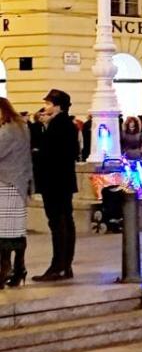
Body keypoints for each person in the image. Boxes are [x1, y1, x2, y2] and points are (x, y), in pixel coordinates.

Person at [31, 88, 81, 282]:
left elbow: (49, 153)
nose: (45, 107)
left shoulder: (58, 126)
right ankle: (65, 265)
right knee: (66, 220)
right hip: (63, 181)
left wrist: (37, 151)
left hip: (54, 181)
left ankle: (58, 266)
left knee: (58, 222)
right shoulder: (66, 124)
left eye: (49, 103)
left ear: (58, 106)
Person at [0, 98, 32, 287]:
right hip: (19, 183)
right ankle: (19, 268)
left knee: (4, 231)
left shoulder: (7, 131)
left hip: (7, 183)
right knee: (16, 230)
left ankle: (4, 270)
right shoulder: (21, 127)